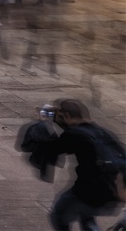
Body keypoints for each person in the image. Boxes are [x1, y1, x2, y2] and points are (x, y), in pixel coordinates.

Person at [34, 99, 126, 231]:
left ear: (67, 117)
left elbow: (51, 149)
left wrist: (42, 124)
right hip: (112, 190)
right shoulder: (102, 132)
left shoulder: (74, 135)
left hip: (87, 191)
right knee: (86, 214)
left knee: (58, 215)